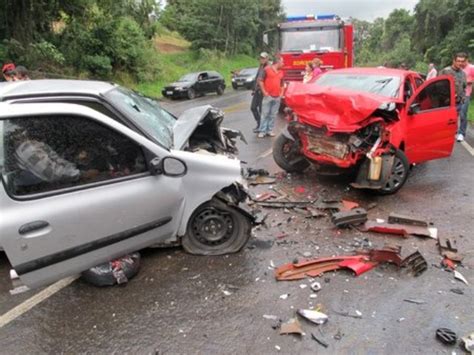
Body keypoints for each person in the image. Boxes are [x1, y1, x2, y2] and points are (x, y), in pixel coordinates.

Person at [439, 52, 468, 142]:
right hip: (447, 103)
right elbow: (437, 86)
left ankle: (459, 134)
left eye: (462, 61)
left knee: (461, 118)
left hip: (460, 102)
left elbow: (464, 87)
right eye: (458, 61)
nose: (460, 63)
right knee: (445, 123)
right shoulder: (445, 71)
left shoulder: (463, 74)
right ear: (454, 61)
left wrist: (463, 98)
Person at [257, 56, 284, 138]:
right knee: (265, 114)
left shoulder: (281, 72)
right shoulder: (267, 69)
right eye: (282, 62)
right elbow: (260, 80)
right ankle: (262, 131)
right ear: (278, 62)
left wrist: (281, 94)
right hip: (268, 96)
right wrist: (264, 92)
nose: (283, 64)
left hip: (277, 97)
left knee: (273, 114)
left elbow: (282, 84)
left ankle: (269, 130)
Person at [250, 52, 269, 132]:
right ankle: (259, 123)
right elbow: (257, 78)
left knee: (262, 110)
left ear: (267, 59)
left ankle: (262, 127)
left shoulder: (268, 68)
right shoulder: (260, 67)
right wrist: (254, 89)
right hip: (257, 91)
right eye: (261, 58)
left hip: (263, 92)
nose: (262, 59)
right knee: (253, 107)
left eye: (263, 58)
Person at [459, 57, 474, 142]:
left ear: (467, 60)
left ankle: (461, 133)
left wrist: (468, 81)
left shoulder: (471, 68)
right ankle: (455, 131)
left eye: (463, 61)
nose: (461, 63)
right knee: (455, 113)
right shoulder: (459, 69)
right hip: (457, 95)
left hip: (466, 94)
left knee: (463, 113)